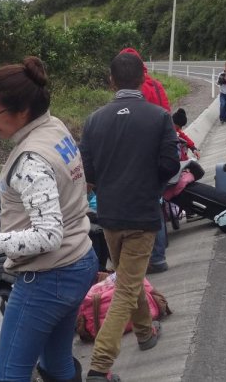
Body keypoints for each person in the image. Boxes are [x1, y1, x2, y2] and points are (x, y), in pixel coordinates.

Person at [0, 57, 96, 382]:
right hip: (80, 259)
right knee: (56, 364)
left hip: (47, 277)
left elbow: (48, 235)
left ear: (22, 111)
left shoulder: (30, 161)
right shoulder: (54, 128)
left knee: (8, 374)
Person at [80, 52, 181, 382]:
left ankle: (144, 334)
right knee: (126, 286)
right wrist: (148, 182)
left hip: (108, 214)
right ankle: (100, 366)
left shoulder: (94, 120)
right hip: (142, 213)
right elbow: (170, 165)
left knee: (127, 275)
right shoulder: (158, 117)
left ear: (111, 81)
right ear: (143, 78)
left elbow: (89, 172)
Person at [119, 47, 173, 275]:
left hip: (142, 155)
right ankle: (158, 254)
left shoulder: (140, 89)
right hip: (162, 152)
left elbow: (136, 121)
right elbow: (167, 113)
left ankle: (154, 257)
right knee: (156, 205)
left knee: (148, 208)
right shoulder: (157, 85)